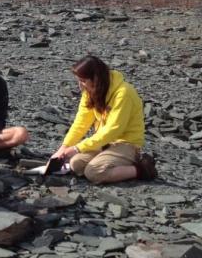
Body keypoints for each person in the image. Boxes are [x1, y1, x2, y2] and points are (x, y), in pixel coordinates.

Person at [50, 55, 157, 184]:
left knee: (94, 172)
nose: (80, 86)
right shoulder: (90, 91)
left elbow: (113, 130)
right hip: (105, 142)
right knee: (76, 164)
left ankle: (142, 169)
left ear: (95, 78)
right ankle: (109, 163)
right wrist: (64, 147)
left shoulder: (123, 93)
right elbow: (81, 123)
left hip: (126, 144)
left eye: (83, 80)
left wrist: (77, 148)